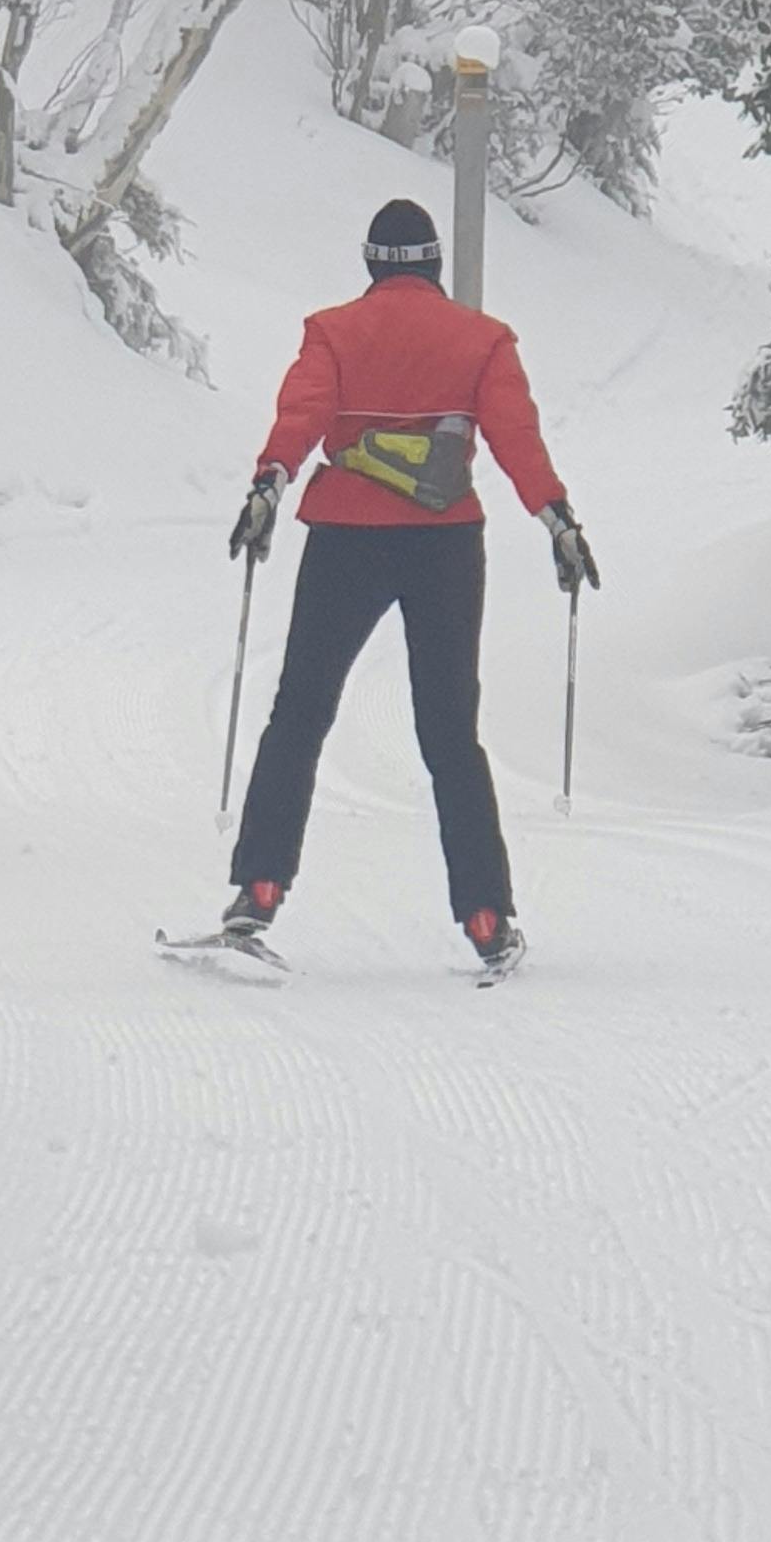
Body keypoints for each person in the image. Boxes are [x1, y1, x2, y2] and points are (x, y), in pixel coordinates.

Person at [222, 198, 597, 977]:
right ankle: (488, 916)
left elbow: (303, 412)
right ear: (433, 264)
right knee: (450, 735)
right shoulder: (483, 340)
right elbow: (515, 437)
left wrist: (270, 483)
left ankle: (256, 891)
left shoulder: (332, 332)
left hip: (345, 541)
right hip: (444, 546)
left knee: (299, 716)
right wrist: (557, 519)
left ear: (369, 265)